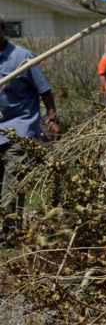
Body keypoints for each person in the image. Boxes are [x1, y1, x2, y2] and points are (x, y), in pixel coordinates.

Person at [0, 16, 59, 239]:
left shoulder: (22, 58)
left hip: (20, 129)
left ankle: (10, 232)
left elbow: (45, 90)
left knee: (13, 181)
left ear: (3, 30)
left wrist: (53, 119)